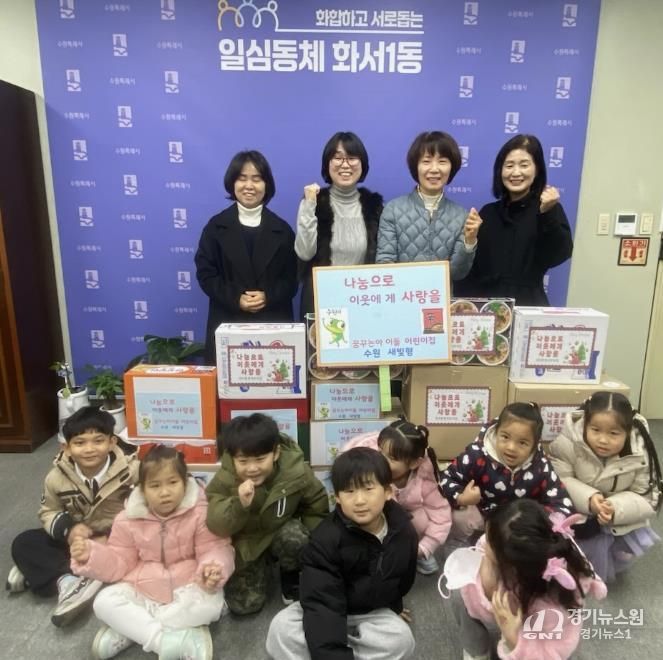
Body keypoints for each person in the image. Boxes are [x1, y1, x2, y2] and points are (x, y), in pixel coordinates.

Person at [70, 444, 234, 660]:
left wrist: (212, 568)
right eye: (155, 485)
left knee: (210, 604)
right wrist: (91, 554)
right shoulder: (127, 519)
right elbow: (120, 561)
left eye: (173, 482)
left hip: (188, 587)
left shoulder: (200, 512)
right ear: (142, 490)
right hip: (144, 590)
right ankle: (170, 641)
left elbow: (215, 547)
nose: (165, 492)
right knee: (103, 601)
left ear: (185, 483)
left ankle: (132, 630)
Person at [266, 447, 418, 660]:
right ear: (337, 497)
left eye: (368, 489)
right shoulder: (325, 539)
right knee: (281, 628)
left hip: (369, 611)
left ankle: (337, 649)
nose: (359, 500)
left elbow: (403, 578)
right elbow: (322, 604)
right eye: (349, 491)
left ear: (387, 491)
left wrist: (395, 606)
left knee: (401, 639)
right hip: (324, 610)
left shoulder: (403, 530)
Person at [7, 407, 138, 627]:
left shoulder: (132, 471)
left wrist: (111, 537)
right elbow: (48, 511)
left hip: (118, 540)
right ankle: (68, 582)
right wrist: (69, 530)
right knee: (24, 542)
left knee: (147, 556)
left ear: (112, 442)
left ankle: (42, 571)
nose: (89, 449)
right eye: (79, 443)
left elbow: (144, 511)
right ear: (66, 448)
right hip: (78, 538)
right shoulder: (56, 477)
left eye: (98, 441)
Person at [443, 499, 606, 660]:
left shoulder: (551, 608)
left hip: (542, 646)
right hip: (519, 605)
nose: (484, 545)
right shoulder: (533, 544)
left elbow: (548, 653)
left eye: (490, 544)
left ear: (510, 564)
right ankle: (478, 651)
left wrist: (513, 639)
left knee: (463, 594)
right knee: (460, 593)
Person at [205, 413, 329, 615]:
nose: (252, 468)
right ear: (233, 458)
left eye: (260, 459)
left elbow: (316, 504)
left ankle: (291, 572)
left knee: (295, 537)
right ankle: (260, 570)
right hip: (248, 544)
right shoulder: (225, 478)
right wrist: (239, 504)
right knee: (244, 606)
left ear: (276, 453)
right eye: (243, 461)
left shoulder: (295, 471)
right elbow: (216, 524)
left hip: (280, 532)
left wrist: (316, 548)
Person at [195, 150, 298, 364]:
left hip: (272, 327)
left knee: (273, 381)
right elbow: (206, 275)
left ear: (267, 185)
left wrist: (268, 296)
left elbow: (292, 280)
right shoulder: (216, 227)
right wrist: (236, 298)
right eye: (242, 178)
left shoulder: (282, 230)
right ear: (232, 183)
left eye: (256, 179)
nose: (249, 186)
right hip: (228, 323)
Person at [547, 392, 662, 582]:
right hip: (579, 512)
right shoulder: (569, 441)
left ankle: (614, 549)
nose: (603, 440)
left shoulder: (640, 451)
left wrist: (614, 508)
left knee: (619, 546)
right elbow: (559, 478)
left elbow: (647, 496)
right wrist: (589, 498)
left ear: (628, 431)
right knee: (565, 546)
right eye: (595, 430)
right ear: (585, 424)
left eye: (613, 433)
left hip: (617, 514)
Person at [455, 134, 573, 305]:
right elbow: (471, 270)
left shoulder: (546, 209)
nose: (516, 172)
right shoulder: (488, 212)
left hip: (529, 305)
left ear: (537, 169)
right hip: (489, 307)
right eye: (509, 165)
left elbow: (559, 255)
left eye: (524, 165)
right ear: (500, 171)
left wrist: (547, 215)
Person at [439, 402, 574, 545]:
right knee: (460, 517)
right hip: (482, 515)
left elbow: (561, 501)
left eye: (522, 443)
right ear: (496, 432)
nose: (511, 447)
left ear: (535, 445)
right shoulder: (476, 455)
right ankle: (459, 548)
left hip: (518, 528)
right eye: (505, 437)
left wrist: (538, 520)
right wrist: (461, 497)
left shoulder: (540, 465)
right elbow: (446, 478)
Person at [340, 419, 451, 575]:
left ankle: (413, 554)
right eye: (380, 452)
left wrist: (424, 547)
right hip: (372, 518)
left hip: (402, 520)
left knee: (420, 519)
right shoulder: (368, 470)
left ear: (414, 463)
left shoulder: (424, 478)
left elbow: (441, 515)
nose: (381, 460)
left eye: (392, 458)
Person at [295, 131, 383, 320]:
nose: (345, 164)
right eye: (338, 158)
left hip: (363, 302)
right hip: (322, 301)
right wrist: (309, 205)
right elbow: (304, 253)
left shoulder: (374, 207)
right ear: (327, 164)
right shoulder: (314, 202)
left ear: (362, 164)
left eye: (352, 158)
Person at [375, 131, 482, 282]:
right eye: (426, 161)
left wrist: (469, 241)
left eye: (442, 161)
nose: (434, 169)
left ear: (452, 167)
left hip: (441, 296)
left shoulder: (461, 216)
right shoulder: (393, 209)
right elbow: (385, 262)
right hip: (403, 294)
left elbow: (457, 273)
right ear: (416, 166)